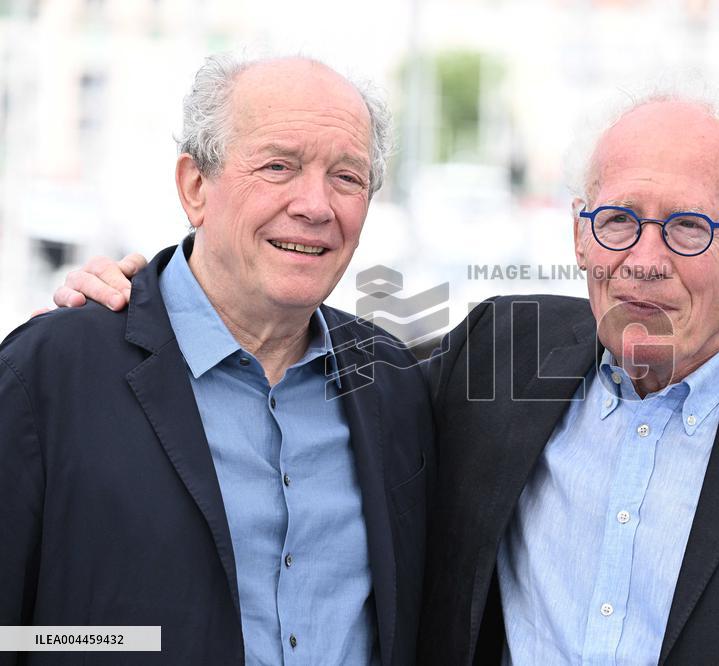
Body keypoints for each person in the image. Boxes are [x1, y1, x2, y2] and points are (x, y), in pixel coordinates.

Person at [50, 84, 719, 664]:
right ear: (579, 233)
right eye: (618, 219)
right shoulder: (498, 355)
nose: (644, 259)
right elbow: (286, 343)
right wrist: (152, 296)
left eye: (690, 228)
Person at [0, 53, 432, 665]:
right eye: (279, 166)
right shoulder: (51, 374)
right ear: (195, 187)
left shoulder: (396, 385)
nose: (315, 205)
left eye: (347, 177)